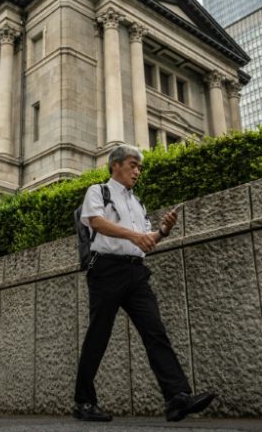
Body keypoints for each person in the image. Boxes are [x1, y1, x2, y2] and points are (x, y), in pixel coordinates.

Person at [73, 144, 215, 422]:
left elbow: (145, 242)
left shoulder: (138, 203)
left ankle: (177, 398)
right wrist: (134, 236)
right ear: (115, 165)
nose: (137, 171)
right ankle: (83, 402)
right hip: (106, 271)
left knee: (155, 331)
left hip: (136, 272)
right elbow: (95, 222)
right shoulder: (98, 191)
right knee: (98, 337)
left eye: (139, 167)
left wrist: (162, 231)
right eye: (132, 165)